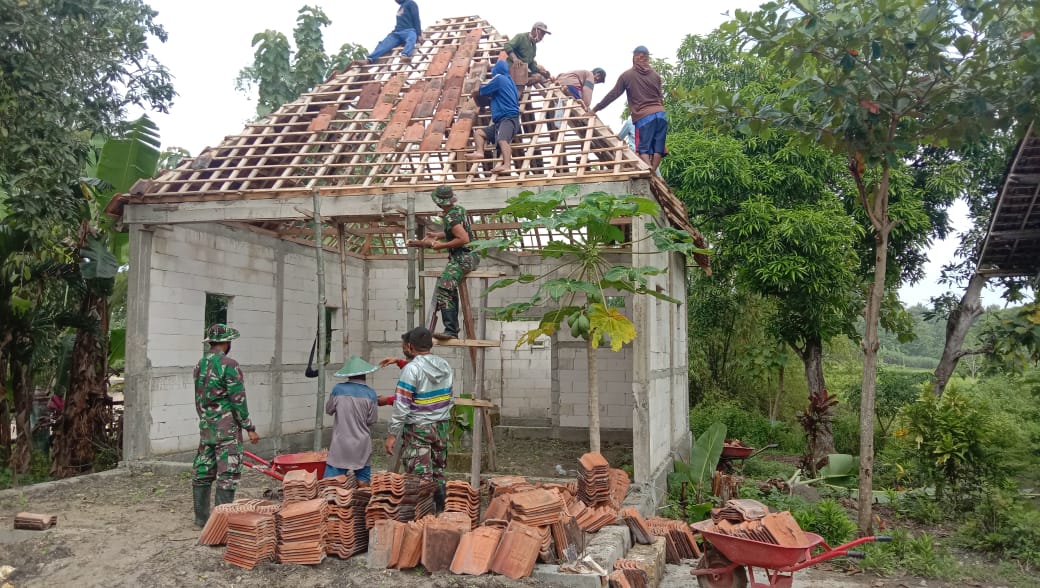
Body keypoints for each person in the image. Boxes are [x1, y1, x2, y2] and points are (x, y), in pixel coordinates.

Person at [192, 323, 260, 527]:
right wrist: (249, 427)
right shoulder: (229, 365)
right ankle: (221, 522)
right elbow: (238, 400)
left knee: (203, 469)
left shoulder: (200, 364)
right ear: (226, 343)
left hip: (206, 427)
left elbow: (199, 399)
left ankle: (201, 519)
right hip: (227, 429)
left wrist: (206, 420)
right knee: (228, 473)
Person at [383, 327, 454, 511]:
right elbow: (450, 397)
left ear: (409, 346)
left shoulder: (411, 369)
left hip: (419, 428)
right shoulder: (444, 365)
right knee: (438, 472)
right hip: (442, 426)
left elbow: (402, 405)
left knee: (420, 477)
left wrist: (392, 434)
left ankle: (423, 519)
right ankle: (441, 513)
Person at [406, 185, 479, 339]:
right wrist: (439, 235)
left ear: (438, 202)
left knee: (444, 289)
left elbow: (463, 239)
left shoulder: (450, 217)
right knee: (449, 287)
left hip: (463, 257)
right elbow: (458, 232)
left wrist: (441, 246)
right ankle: (452, 328)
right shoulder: (458, 210)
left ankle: (451, 331)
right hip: (471, 255)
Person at [591, 46, 668, 173]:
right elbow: (660, 97)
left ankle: (650, 172)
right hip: (660, 114)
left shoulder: (627, 75)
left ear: (635, 57)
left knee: (642, 149)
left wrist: (595, 109)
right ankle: (654, 170)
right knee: (658, 148)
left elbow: (613, 94)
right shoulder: (656, 76)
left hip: (644, 117)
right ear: (647, 58)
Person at [323, 356, 380, 485]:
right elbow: (371, 420)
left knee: (331, 483)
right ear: (365, 373)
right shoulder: (371, 394)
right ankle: (364, 502)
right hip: (362, 444)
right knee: (363, 481)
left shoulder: (337, 389)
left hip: (340, 444)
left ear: (348, 375)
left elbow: (329, 410)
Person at [465, 61, 521, 174]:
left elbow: (482, 91)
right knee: (479, 133)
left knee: (502, 140)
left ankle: (507, 165)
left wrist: (474, 91)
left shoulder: (499, 78)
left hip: (509, 118)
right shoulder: (511, 82)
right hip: (500, 121)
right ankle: (480, 152)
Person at [353, 0, 423, 67]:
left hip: (408, 30)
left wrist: (419, 34)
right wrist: (393, 32)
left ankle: (404, 55)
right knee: (384, 43)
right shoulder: (401, 7)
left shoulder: (411, 3)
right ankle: (369, 60)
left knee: (411, 39)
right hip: (397, 32)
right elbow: (400, 23)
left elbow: (416, 18)